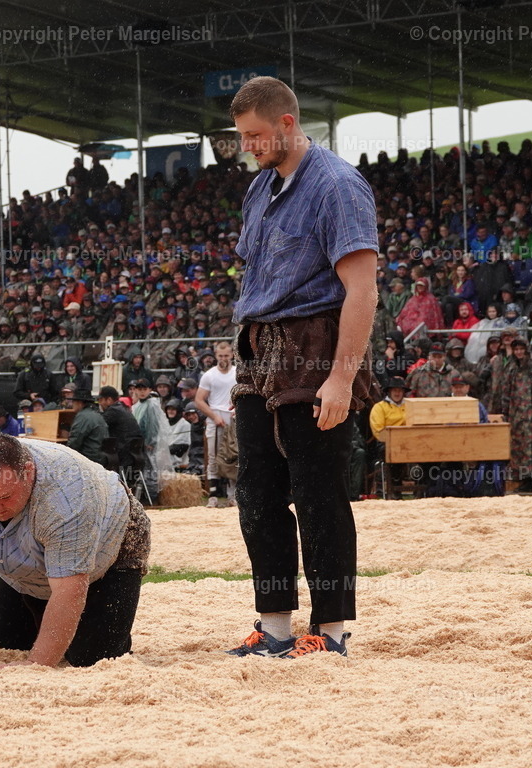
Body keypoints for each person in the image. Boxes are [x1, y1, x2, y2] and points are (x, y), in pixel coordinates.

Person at [227, 77, 378, 659]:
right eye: (242, 136)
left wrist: (340, 377)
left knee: (319, 496)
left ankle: (332, 631)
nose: (249, 146)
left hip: (314, 352)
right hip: (257, 353)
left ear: (288, 122)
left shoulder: (338, 186)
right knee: (256, 495)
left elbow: (361, 289)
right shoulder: (260, 187)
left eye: (256, 135)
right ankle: (275, 627)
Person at [0, 433, 151, 671]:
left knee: (91, 657)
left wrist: (37, 664)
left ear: (28, 472)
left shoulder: (66, 495)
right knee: (2, 647)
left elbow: (69, 590)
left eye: (5, 497)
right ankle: (41, 608)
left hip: (111, 546)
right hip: (26, 561)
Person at [497, 337, 532, 493]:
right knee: (522, 448)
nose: (519, 352)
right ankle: (527, 479)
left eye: (521, 349)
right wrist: (506, 412)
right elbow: (506, 391)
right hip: (518, 416)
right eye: (516, 350)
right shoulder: (511, 367)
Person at [195, 341, 237, 507]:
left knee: (232, 455)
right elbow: (199, 400)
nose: (223, 359)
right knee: (212, 455)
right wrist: (213, 416)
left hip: (233, 417)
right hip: (215, 417)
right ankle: (212, 495)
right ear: (215, 356)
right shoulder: (209, 375)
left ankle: (231, 495)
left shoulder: (237, 373)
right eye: (220, 356)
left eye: (226, 355)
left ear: (232, 355)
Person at [97, 385, 144, 475]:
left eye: (100, 400)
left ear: (109, 400)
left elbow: (98, 424)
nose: (99, 403)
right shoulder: (122, 408)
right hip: (134, 456)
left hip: (123, 456)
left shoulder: (113, 411)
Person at [66, 389, 109, 466]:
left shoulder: (83, 416)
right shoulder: (97, 415)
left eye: (74, 401)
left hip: (89, 459)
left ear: (80, 403)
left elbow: (74, 442)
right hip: (101, 458)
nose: (72, 404)